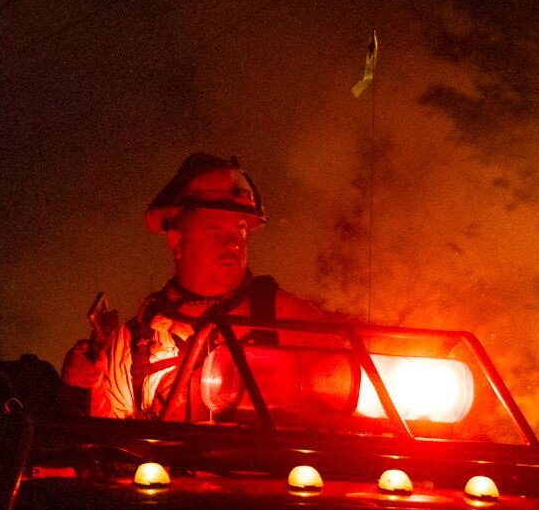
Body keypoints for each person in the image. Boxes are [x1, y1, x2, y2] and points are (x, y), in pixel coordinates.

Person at [62, 153, 335, 419]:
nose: (232, 244)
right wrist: (90, 385)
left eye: (239, 230)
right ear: (177, 242)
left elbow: (354, 383)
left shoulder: (283, 318)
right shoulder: (134, 342)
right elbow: (110, 440)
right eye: (214, 231)